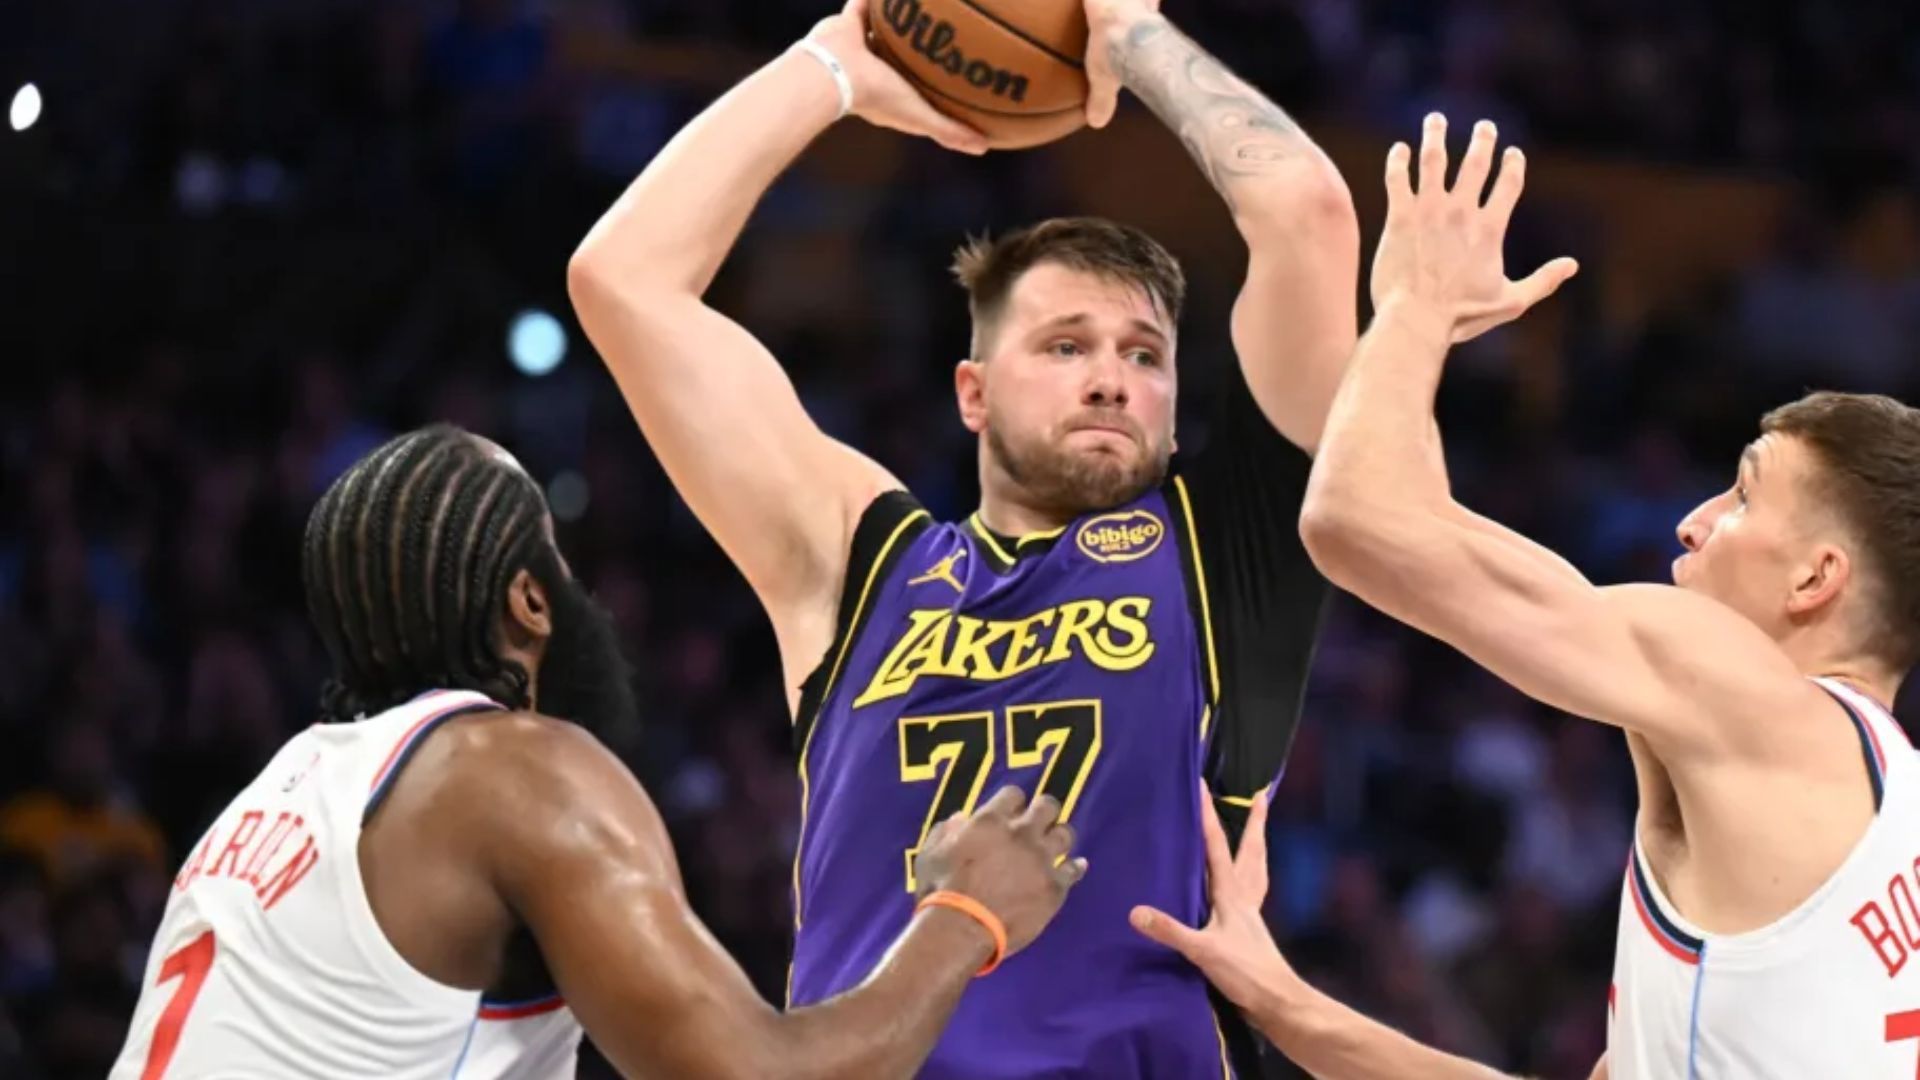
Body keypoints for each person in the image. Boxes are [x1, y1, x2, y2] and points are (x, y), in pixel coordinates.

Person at [567, 0, 1358, 1072]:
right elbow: (622, 280)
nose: (1110, 380)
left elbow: (1308, 214)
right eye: (1066, 345)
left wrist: (1127, 33)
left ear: (1175, 410)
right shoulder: (864, 563)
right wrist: (833, 64)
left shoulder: (1226, 561)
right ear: (972, 393)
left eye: (1143, 356)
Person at [1138, 114, 1920, 1079]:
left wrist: (1417, 307)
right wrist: (1283, 1003)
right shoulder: (1882, 821)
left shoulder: (1750, 694)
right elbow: (1415, 518)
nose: (1693, 522)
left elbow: (1357, 522)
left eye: (1744, 497)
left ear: (1815, 577)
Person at [108, 425, 1084, 1080]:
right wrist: (965, 914)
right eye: (563, 567)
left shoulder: (273, 796)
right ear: (532, 602)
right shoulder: (515, 770)